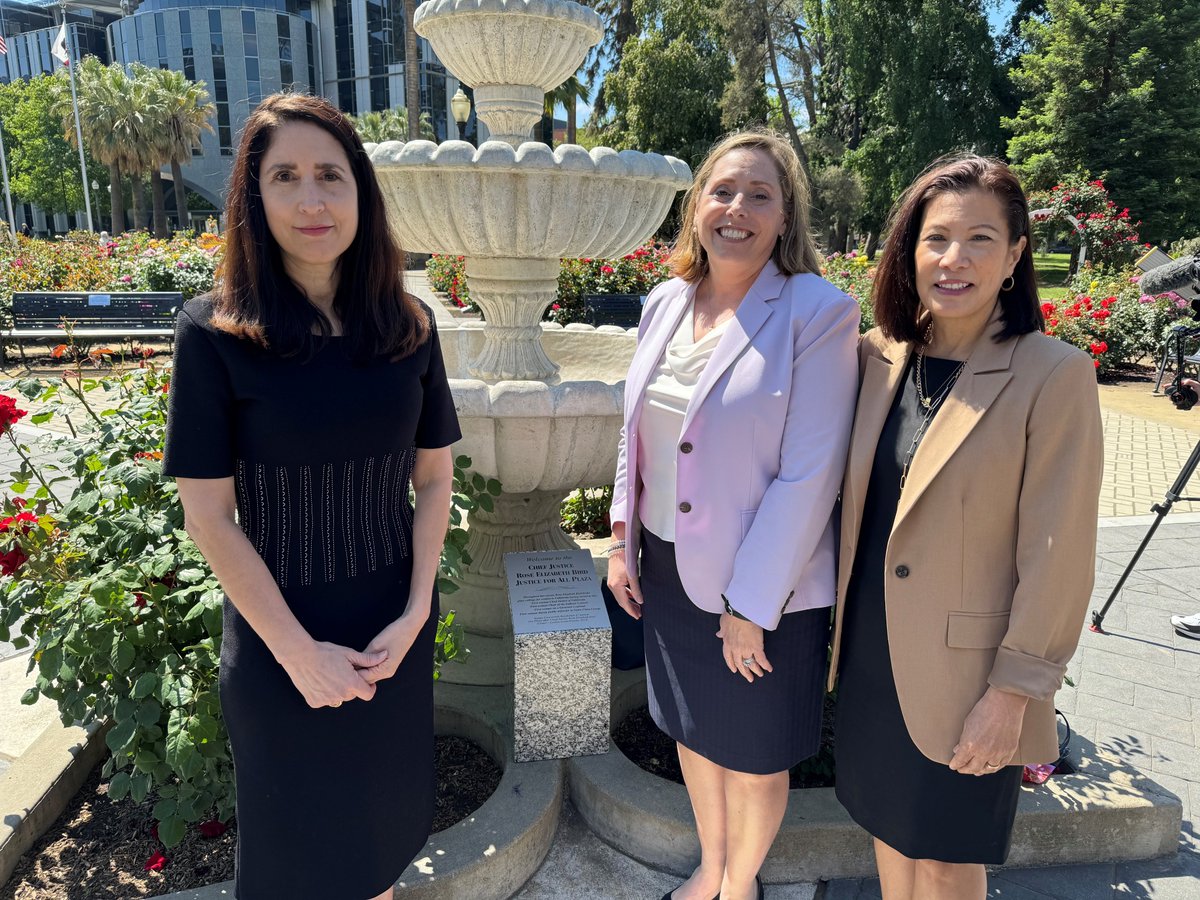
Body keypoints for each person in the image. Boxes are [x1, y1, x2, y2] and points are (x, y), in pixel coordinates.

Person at [163, 94, 460, 900]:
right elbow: (209, 516)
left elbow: (433, 480)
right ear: (253, 198)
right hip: (276, 648)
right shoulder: (214, 335)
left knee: (382, 844)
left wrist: (415, 614)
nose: (311, 199)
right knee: (298, 863)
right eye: (285, 177)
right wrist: (300, 656)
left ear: (362, 192)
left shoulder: (410, 327)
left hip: (391, 637)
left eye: (330, 175)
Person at [829, 154, 1104, 900]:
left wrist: (1013, 693)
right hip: (871, 657)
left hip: (969, 676)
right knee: (888, 830)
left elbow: (1059, 554)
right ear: (908, 251)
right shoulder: (880, 357)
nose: (955, 260)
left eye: (981, 239)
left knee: (948, 859)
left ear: (1015, 254)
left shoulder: (1053, 376)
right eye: (936, 239)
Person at [607, 129, 859, 900]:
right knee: (692, 733)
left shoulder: (818, 312)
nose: (737, 209)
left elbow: (810, 475)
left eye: (760, 195)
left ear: (786, 216)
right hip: (669, 569)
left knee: (752, 758)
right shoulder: (664, 301)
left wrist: (750, 605)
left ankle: (739, 883)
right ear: (696, 209)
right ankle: (714, 869)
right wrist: (621, 537)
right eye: (723, 191)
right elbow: (637, 434)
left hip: (763, 588)